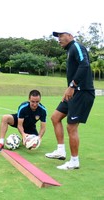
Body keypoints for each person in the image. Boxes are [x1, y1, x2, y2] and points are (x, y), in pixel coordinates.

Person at [45, 30, 95, 170]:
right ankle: (60, 151)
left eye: (62, 36)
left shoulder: (76, 46)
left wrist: (72, 86)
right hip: (73, 93)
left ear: (71, 36)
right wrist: (69, 89)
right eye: (58, 37)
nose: (59, 39)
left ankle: (74, 161)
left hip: (82, 92)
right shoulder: (69, 51)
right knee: (55, 117)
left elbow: (84, 64)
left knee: (71, 127)